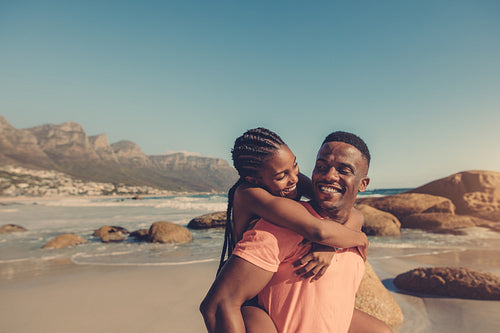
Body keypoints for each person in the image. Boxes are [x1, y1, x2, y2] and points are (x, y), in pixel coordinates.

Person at [200, 131, 391, 333]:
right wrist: (359, 239)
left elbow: (342, 207)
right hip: (249, 281)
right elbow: (318, 230)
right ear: (254, 179)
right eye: (321, 167)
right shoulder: (252, 196)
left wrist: (336, 241)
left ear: (363, 183)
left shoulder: (290, 181)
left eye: (295, 167)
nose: (294, 179)